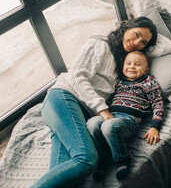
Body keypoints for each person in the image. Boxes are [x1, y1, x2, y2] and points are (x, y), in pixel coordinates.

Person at [30, 16, 158, 188]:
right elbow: (77, 77)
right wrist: (103, 111)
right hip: (64, 98)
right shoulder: (100, 44)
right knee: (87, 160)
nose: (137, 42)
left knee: (68, 180)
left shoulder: (124, 63)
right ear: (126, 26)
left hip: (77, 115)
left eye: (143, 42)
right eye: (136, 34)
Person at [87, 50, 163, 181]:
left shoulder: (148, 81)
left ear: (146, 70)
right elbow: (110, 100)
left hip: (129, 120)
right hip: (111, 115)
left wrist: (154, 126)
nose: (132, 66)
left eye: (138, 64)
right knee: (92, 123)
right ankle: (103, 159)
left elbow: (158, 103)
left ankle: (122, 159)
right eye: (128, 63)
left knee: (109, 126)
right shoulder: (119, 82)